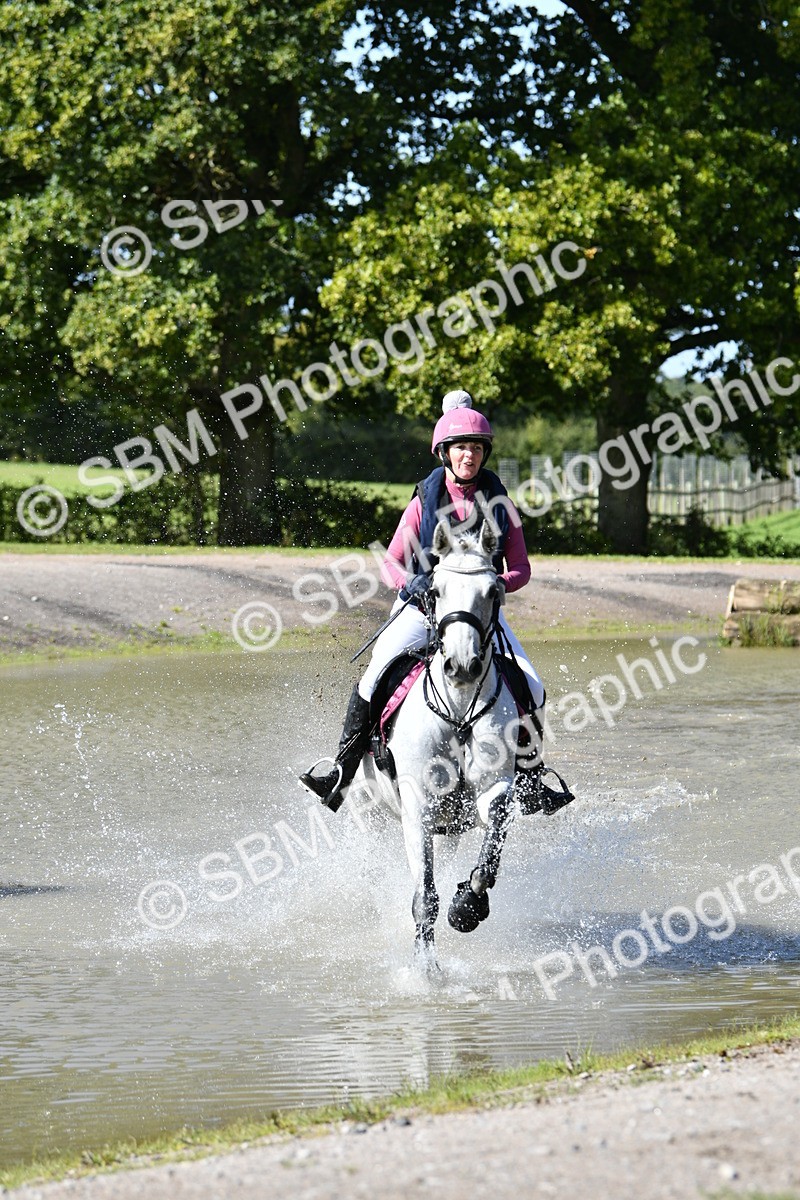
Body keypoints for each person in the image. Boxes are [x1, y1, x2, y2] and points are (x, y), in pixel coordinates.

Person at [300, 389, 546, 812]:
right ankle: (340, 772)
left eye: (475, 448)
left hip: (477, 613)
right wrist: (411, 584)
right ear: (445, 453)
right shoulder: (422, 501)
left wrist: (497, 583)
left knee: (531, 682)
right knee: (373, 677)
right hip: (422, 610)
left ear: (484, 453)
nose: (468, 456)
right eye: (460, 448)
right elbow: (391, 562)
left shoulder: (503, 506)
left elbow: (521, 567)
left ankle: (533, 776)